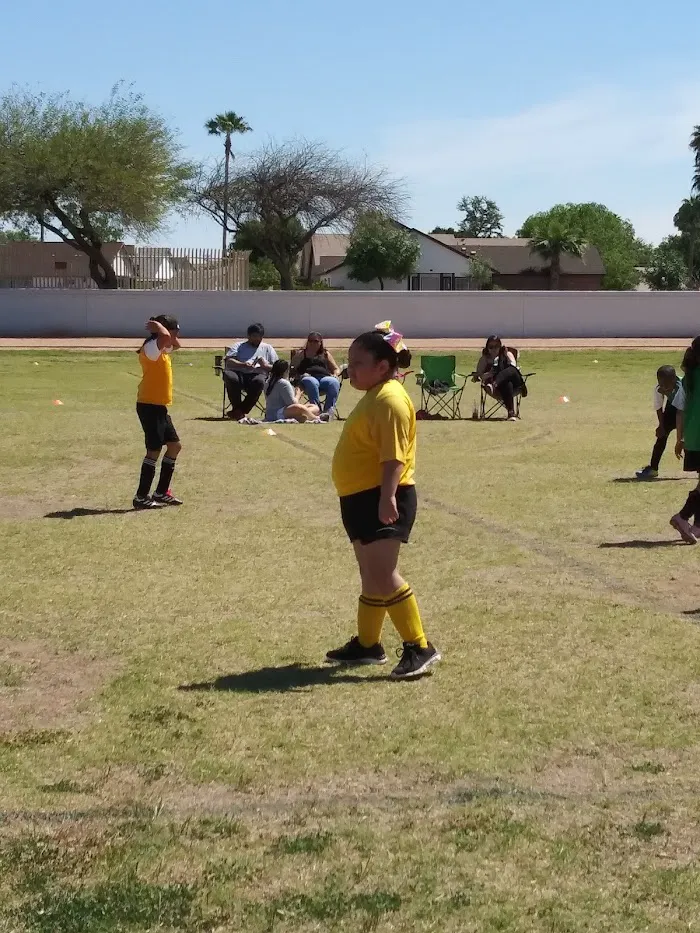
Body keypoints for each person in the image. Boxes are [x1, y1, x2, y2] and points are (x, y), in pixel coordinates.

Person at [325, 322, 441, 679]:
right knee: (370, 575)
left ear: (382, 365)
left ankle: (420, 647)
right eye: (349, 361)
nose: (350, 369)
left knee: (383, 573)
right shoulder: (376, 395)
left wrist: (388, 497)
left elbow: (394, 458)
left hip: (383, 495)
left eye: (358, 362)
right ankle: (367, 644)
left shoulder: (389, 399)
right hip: (361, 497)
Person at [133, 315, 183, 510]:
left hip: (159, 406)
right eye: (174, 330)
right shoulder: (151, 348)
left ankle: (161, 492)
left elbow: (176, 345)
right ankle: (141, 496)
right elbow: (165, 339)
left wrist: (167, 330)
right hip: (148, 405)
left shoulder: (162, 348)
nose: (177, 334)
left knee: (174, 446)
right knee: (153, 450)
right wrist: (161, 328)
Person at [671, 338, 700, 543]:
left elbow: (679, 410)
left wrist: (680, 438)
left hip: (693, 436)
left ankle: (697, 526)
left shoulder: (688, 377)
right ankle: (682, 517)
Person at [635, 365, 683, 480]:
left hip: (688, 410)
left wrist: (679, 439)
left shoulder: (682, 387)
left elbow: (681, 413)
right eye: (661, 384)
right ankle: (653, 469)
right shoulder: (658, 388)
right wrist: (661, 426)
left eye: (667, 385)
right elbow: (659, 407)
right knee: (661, 437)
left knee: (692, 440)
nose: (664, 388)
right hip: (672, 408)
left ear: (674, 379)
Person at [223, 323, 278, 419]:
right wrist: (243, 364)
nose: (257, 339)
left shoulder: (268, 348)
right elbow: (229, 361)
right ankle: (237, 409)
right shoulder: (239, 346)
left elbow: (277, 367)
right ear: (248, 336)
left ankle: (239, 411)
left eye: (260, 336)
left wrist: (264, 365)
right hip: (239, 373)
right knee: (230, 376)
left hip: (258, 374)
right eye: (255, 336)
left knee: (259, 381)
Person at [473, 335, 526, 421]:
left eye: (497, 346)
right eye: (491, 347)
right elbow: (480, 375)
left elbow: (513, 369)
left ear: (500, 347)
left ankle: (494, 384)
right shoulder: (484, 359)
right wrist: (489, 374)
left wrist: (505, 357)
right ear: (487, 348)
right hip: (501, 388)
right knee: (507, 383)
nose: (494, 349)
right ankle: (511, 413)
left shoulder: (507, 354)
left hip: (515, 383)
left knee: (510, 370)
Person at [292, 332, 342, 414]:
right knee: (312, 381)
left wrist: (335, 374)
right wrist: (299, 375)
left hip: (323, 378)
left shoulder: (325, 354)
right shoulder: (301, 354)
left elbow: (336, 368)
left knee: (334, 382)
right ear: (307, 342)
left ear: (320, 343)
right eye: (310, 341)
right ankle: (316, 409)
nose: (312, 343)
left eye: (315, 341)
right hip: (307, 379)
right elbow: (292, 368)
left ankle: (328, 411)